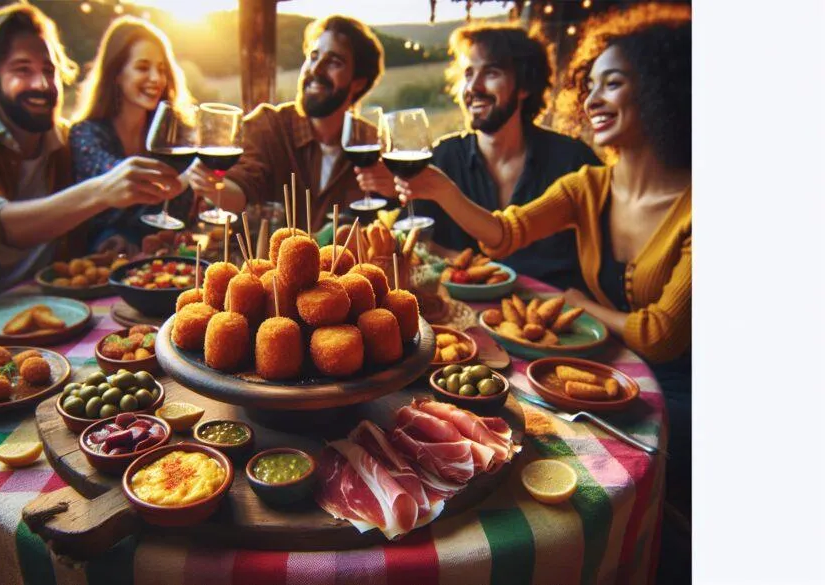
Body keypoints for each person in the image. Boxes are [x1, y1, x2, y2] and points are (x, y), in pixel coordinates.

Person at [397, 1, 692, 530]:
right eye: (590, 85)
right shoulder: (589, 186)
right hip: (606, 365)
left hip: (681, 388)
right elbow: (504, 234)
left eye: (613, 84)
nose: (592, 99)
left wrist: (578, 303)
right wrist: (440, 189)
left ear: (661, 90)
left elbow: (662, 335)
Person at [0, 3, 180, 343]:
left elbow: (86, 225)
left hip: (56, 308)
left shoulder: (65, 142)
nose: (41, 84)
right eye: (22, 70)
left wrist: (112, 240)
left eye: (49, 71)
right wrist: (100, 191)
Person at [362, 23, 602, 291]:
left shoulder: (574, 161)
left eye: (491, 72)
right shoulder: (443, 157)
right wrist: (466, 265)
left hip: (557, 309)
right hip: (463, 307)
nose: (473, 87)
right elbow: (414, 241)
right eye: (468, 73)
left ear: (524, 86)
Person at [186, 15, 385, 232]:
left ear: (358, 83)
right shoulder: (268, 125)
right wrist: (214, 187)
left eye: (334, 62)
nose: (316, 69)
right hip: (266, 255)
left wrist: (394, 190)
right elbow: (241, 191)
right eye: (313, 57)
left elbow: (392, 213)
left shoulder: (372, 143)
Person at [70, 16, 196, 256]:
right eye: (142, 68)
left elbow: (181, 210)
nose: (156, 79)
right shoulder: (86, 134)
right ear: (116, 73)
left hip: (166, 261)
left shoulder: (173, 133)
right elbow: (124, 184)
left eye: (161, 70)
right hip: (104, 264)